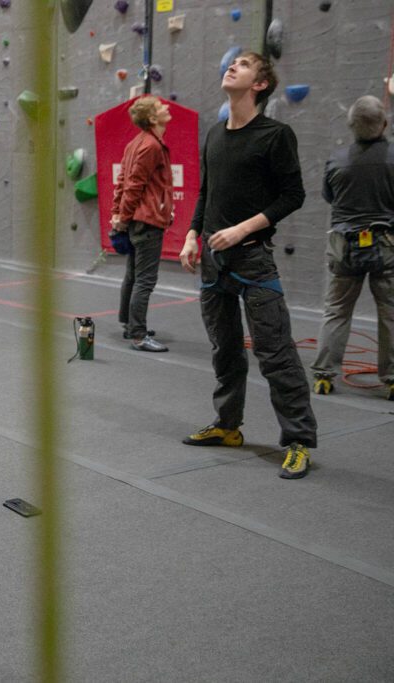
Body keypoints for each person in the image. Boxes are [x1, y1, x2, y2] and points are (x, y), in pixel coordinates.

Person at [178, 52, 317, 479]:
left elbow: (293, 196)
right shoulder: (215, 135)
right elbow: (207, 192)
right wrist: (190, 235)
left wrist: (241, 230)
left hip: (253, 258)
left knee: (275, 354)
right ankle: (228, 426)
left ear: (260, 84)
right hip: (213, 262)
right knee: (225, 351)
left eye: (243, 64)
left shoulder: (276, 135)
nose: (231, 67)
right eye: (231, 63)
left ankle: (298, 441)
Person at [310, 95, 394, 401]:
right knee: (390, 313)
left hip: (344, 246)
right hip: (386, 246)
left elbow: (329, 196)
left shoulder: (336, 159)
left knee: (336, 311)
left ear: (350, 126)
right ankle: (392, 378)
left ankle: (323, 375)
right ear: (384, 123)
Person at [110, 95, 174, 352]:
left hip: (138, 221)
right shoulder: (151, 147)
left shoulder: (136, 143)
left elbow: (122, 183)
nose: (166, 107)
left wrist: (118, 216)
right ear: (152, 118)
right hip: (146, 222)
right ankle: (138, 334)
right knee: (145, 279)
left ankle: (129, 323)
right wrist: (122, 219)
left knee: (133, 275)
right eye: (160, 107)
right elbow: (133, 186)